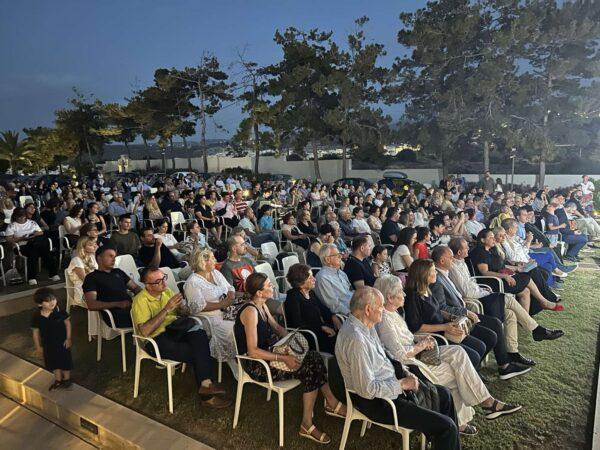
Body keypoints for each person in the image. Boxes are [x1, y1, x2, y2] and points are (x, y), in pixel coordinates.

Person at [374, 275, 521, 432]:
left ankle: (484, 404)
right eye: (400, 292)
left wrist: (421, 339)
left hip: (418, 353)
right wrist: (422, 345)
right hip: (411, 365)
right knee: (457, 373)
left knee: (458, 351)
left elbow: (405, 339)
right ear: (389, 298)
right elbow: (400, 355)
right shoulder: (385, 322)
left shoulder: (393, 313)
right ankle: (476, 411)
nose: (404, 294)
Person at [335, 286, 461, 450]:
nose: (383, 309)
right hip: (380, 402)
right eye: (380, 306)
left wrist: (404, 372)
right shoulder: (356, 340)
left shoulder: (366, 326)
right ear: (368, 309)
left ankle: (441, 442)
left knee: (445, 394)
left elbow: (384, 356)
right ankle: (443, 438)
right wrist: (402, 384)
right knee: (447, 427)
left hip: (391, 386)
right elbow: (366, 390)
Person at [235, 273, 345, 444]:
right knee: (310, 368)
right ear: (259, 293)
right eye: (269, 285)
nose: (273, 287)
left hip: (271, 354)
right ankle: (309, 422)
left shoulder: (262, 306)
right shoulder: (251, 312)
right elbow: (253, 351)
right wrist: (283, 358)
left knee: (313, 356)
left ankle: (330, 403)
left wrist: (292, 339)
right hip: (258, 365)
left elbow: (277, 327)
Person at [447, 237, 563, 366]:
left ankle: (513, 353)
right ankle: (536, 329)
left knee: (510, 314)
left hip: (481, 293)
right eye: (466, 247)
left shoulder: (462, 262)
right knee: (508, 297)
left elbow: (470, 283)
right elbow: (466, 292)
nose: (468, 248)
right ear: (459, 252)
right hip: (475, 300)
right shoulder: (453, 267)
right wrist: (485, 292)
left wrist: (484, 290)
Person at [132, 267, 230, 409]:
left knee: (199, 334)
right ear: (148, 285)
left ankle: (206, 386)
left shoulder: (166, 292)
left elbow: (181, 311)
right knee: (199, 352)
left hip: (175, 328)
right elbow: (145, 331)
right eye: (158, 281)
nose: (164, 283)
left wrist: (183, 308)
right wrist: (167, 309)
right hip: (156, 339)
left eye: (164, 278)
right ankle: (207, 393)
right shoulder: (140, 301)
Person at [431, 246, 533, 379]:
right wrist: (465, 312)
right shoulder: (437, 279)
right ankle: (503, 365)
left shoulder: (445, 273)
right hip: (458, 318)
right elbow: (442, 308)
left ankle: (509, 358)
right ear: (442, 261)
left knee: (506, 314)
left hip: (466, 309)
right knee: (496, 320)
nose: (453, 260)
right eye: (450, 258)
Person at [470, 229, 560, 315]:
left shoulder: (491, 250)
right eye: (491, 237)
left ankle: (526, 319)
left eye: (494, 237)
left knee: (525, 291)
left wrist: (516, 267)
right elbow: (485, 272)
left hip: (500, 278)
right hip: (492, 282)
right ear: (482, 240)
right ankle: (543, 301)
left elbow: (501, 266)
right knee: (527, 278)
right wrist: (505, 276)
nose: (494, 239)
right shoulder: (480, 253)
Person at [182, 248, 237, 368]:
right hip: (208, 317)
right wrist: (223, 304)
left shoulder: (215, 273)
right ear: (203, 262)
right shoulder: (192, 282)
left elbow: (229, 287)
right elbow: (197, 307)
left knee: (247, 320)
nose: (215, 260)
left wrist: (231, 294)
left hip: (227, 310)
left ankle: (244, 355)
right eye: (212, 258)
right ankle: (233, 361)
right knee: (234, 329)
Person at [285, 263, 342, 354]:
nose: (314, 279)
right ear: (300, 282)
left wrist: (333, 316)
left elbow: (323, 308)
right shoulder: (293, 297)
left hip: (319, 330)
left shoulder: (310, 292)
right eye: (310, 277)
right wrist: (321, 327)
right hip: (308, 335)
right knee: (341, 344)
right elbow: (297, 323)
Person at [83, 246, 141, 328]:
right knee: (154, 316)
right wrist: (118, 304)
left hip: (133, 308)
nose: (114, 259)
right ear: (99, 258)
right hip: (117, 315)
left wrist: (146, 296)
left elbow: (135, 288)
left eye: (114, 257)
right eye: (110, 256)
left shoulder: (118, 272)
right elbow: (91, 304)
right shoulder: (91, 277)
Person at [5, 207, 60, 285]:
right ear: (15, 216)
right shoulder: (12, 226)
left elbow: (40, 232)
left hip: (34, 244)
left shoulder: (32, 223)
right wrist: (21, 238)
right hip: (21, 246)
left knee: (35, 248)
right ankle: (53, 273)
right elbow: (8, 239)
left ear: (25, 216)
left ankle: (32, 277)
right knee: (44, 250)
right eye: (19, 217)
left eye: (23, 216)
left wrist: (34, 234)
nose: (21, 219)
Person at [32, 288, 73, 391]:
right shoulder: (37, 316)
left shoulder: (60, 311)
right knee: (53, 362)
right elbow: (35, 332)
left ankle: (67, 379)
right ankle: (58, 380)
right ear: (39, 304)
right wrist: (38, 346)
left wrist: (68, 338)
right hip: (48, 345)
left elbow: (67, 324)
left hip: (62, 342)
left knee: (65, 361)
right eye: (47, 301)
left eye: (53, 299)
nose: (52, 302)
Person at [314, 244, 353, 315]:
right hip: (348, 313)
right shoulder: (322, 278)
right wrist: (352, 314)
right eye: (337, 255)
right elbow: (333, 305)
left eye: (340, 254)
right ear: (327, 259)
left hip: (355, 305)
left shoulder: (341, 273)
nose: (341, 257)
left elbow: (349, 292)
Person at [66, 236, 99, 307]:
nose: (95, 246)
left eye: (95, 244)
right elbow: (86, 281)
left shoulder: (92, 257)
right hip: (84, 292)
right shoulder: (77, 260)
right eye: (91, 245)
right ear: (83, 247)